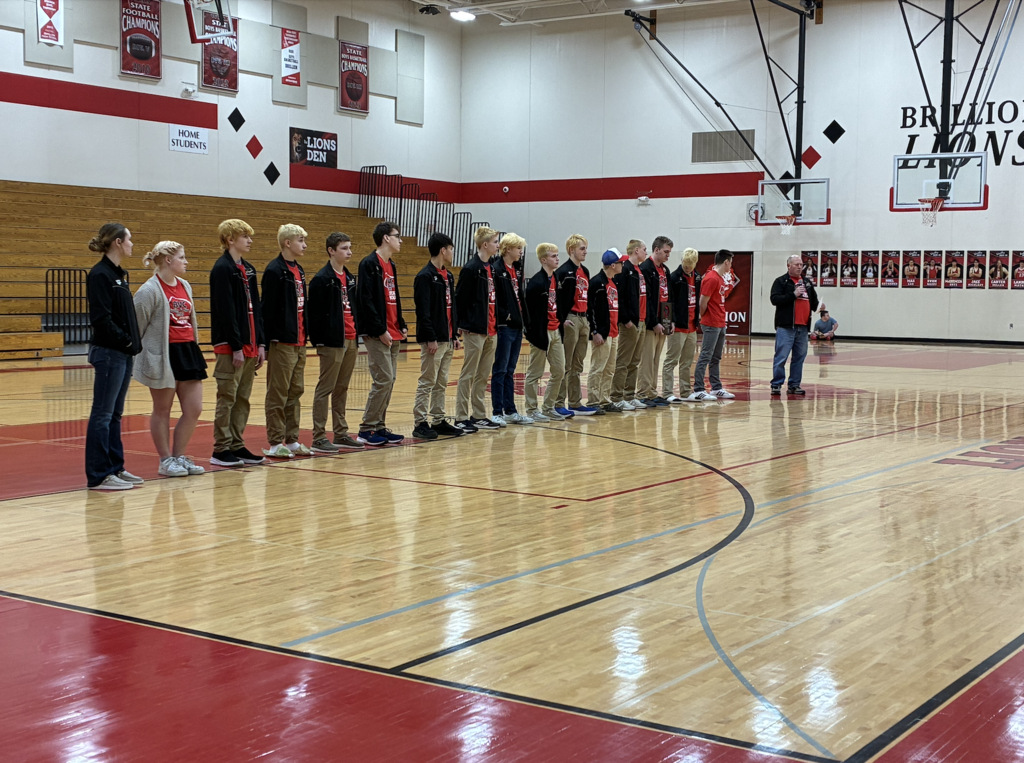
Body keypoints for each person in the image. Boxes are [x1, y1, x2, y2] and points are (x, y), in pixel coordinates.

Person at [132, 241, 206, 478]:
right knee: (162, 409)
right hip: (163, 354)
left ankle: (179, 456)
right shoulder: (148, 291)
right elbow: (137, 327)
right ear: (167, 260)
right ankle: (165, 460)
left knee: (194, 408)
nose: (186, 262)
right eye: (182, 257)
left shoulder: (185, 285)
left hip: (188, 351)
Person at [85, 223, 143, 490]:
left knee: (115, 414)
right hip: (109, 352)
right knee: (103, 414)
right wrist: (126, 340)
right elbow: (101, 319)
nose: (132, 244)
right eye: (129, 239)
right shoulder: (100, 274)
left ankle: (115, 467)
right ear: (118, 242)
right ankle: (99, 474)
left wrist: (131, 344)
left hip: (123, 353)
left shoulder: (119, 274)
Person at [209, 219, 266, 468]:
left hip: (251, 345)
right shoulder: (222, 268)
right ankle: (221, 448)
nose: (250, 240)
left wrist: (261, 343)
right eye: (245, 236)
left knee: (243, 398)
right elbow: (225, 310)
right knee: (227, 397)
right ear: (230, 239)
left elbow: (257, 308)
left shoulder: (249, 269)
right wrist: (235, 346)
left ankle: (236, 443)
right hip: (231, 346)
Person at [307, 232, 365, 453]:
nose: (349, 252)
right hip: (332, 342)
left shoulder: (350, 278)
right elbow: (314, 315)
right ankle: (319, 436)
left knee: (342, 388)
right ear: (331, 251)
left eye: (350, 247)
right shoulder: (322, 279)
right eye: (344, 248)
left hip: (351, 339)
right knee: (326, 388)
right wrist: (321, 341)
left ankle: (340, 433)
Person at [356, 221, 408, 445]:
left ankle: (379, 426)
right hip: (377, 333)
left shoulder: (391, 265)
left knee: (390, 379)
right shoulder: (369, 263)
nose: (400, 240)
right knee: (383, 378)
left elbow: (394, 296)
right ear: (386, 238)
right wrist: (380, 330)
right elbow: (365, 300)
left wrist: (401, 323)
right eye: (397, 236)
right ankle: (366, 428)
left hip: (393, 331)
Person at [261, 224, 310, 459]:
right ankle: (274, 442)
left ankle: (292, 440)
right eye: (301, 240)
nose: (305, 245)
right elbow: (267, 309)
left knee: (295, 392)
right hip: (282, 341)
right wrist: (265, 342)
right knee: (278, 393)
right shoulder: (274, 270)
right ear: (287, 243)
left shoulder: (299, 269)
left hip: (299, 341)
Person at [411, 233, 465, 440]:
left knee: (441, 382)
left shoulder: (448, 275)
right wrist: (430, 337)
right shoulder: (424, 276)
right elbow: (423, 311)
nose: (452, 253)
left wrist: (455, 334)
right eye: (451, 249)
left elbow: (452, 307)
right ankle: (420, 422)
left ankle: (438, 419)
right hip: (433, 339)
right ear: (443, 250)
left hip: (448, 337)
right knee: (427, 381)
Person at [455, 226, 501, 432]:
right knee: (468, 374)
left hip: (491, 329)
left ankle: (479, 414)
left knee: (483, 375)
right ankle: (460, 417)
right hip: (475, 329)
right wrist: (460, 327)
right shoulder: (471, 268)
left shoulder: (491, 268)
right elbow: (460, 299)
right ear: (485, 244)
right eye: (495, 242)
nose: (498, 245)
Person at [491, 233, 531, 425]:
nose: (521, 252)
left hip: (516, 326)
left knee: (510, 369)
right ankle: (497, 411)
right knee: (500, 369)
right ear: (507, 249)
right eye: (518, 248)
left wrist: (524, 320)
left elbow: (519, 297)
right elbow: (494, 298)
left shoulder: (516, 270)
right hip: (505, 326)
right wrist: (505, 315)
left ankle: (510, 410)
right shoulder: (496, 269)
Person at [523, 243, 567, 421]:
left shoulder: (556, 278)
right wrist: (534, 334)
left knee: (559, 370)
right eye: (553, 256)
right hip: (541, 333)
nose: (557, 259)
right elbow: (529, 313)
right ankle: (531, 409)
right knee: (535, 373)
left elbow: (559, 304)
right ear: (543, 260)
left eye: (557, 255)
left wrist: (562, 320)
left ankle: (548, 407)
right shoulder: (536, 283)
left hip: (556, 331)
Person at [554, 233, 596, 417]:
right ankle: (558, 402)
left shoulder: (585, 271)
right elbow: (556, 298)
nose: (585, 252)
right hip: (570, 318)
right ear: (571, 250)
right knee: (566, 364)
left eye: (586, 248)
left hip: (583, 318)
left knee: (577, 365)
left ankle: (575, 402)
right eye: (582, 248)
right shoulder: (563, 272)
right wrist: (561, 319)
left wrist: (589, 321)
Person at [687, 250, 734, 401]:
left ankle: (716, 387)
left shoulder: (719, 278)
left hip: (720, 322)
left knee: (716, 357)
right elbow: (702, 302)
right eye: (730, 262)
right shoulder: (711, 278)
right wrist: (704, 316)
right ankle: (698, 389)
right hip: (711, 323)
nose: (731, 266)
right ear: (726, 262)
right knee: (706, 355)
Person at [769, 254, 820, 395]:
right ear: (788, 266)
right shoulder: (781, 281)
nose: (800, 267)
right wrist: (793, 295)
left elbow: (814, 302)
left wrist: (820, 307)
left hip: (803, 328)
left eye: (801, 264)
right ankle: (776, 384)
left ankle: (794, 385)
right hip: (786, 327)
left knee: (799, 358)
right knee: (781, 357)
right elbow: (774, 299)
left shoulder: (807, 282)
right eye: (796, 264)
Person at [610, 239, 648, 410]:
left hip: (642, 321)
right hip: (630, 323)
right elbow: (620, 296)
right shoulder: (624, 269)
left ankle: (629, 395)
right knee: (624, 361)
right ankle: (616, 396)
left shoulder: (640, 270)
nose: (646, 253)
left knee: (635, 361)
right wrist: (626, 320)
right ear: (636, 250)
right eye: (644, 249)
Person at [587, 249, 625, 412]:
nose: (623, 265)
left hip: (614, 332)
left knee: (609, 369)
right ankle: (593, 401)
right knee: (598, 368)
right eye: (621, 262)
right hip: (602, 333)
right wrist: (594, 332)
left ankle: (605, 399)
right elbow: (590, 309)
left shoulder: (614, 283)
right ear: (612, 265)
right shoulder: (597, 282)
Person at [637, 236, 673, 406]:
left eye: (669, 252)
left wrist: (670, 321)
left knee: (656, 359)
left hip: (663, 321)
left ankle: (652, 391)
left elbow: (668, 297)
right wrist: (653, 322)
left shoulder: (665, 270)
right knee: (647, 359)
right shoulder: (645, 268)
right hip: (651, 323)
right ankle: (642, 392)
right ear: (656, 250)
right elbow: (648, 299)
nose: (668, 255)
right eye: (666, 251)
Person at [663, 247, 700, 403]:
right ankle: (667, 392)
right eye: (686, 265)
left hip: (692, 327)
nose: (688, 268)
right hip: (677, 326)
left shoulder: (698, 277)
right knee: (671, 360)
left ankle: (685, 392)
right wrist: (669, 322)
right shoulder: (674, 277)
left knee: (687, 362)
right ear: (682, 261)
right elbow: (668, 302)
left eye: (691, 266)